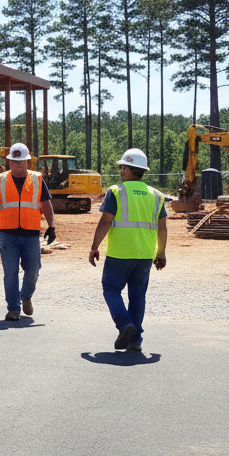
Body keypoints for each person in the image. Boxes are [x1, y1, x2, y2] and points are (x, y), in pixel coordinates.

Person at [88, 148, 168, 351]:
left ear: (127, 169)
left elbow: (105, 221)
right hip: (145, 255)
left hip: (119, 254)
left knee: (111, 289)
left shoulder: (116, 191)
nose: (121, 171)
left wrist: (94, 247)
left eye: (122, 167)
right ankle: (135, 341)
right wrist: (161, 253)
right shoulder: (156, 196)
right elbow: (162, 227)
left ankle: (125, 325)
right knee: (138, 296)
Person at [0, 143, 57, 321]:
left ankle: (26, 296)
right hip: (8, 234)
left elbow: (46, 205)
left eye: (21, 162)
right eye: (14, 162)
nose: (18, 165)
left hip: (31, 235)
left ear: (27, 162)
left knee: (33, 270)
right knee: (10, 272)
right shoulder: (1, 180)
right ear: (9, 163)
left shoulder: (37, 180)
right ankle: (13, 308)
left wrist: (52, 226)